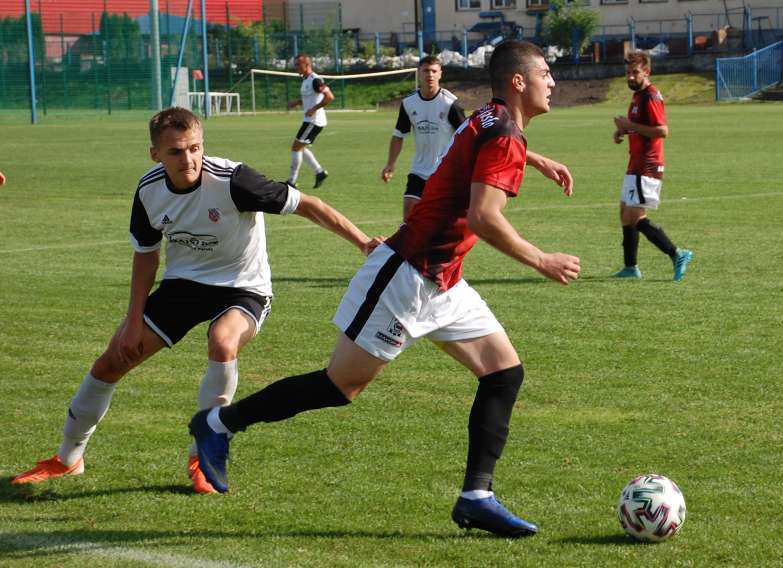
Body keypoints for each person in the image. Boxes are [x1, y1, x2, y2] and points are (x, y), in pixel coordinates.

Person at [189, 40, 581, 537]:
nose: (554, 82)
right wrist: (541, 259)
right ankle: (219, 424)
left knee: (503, 374)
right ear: (519, 82)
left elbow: (479, 140)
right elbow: (485, 217)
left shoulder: (491, 119)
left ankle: (476, 497)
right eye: (546, 72)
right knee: (340, 386)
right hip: (406, 276)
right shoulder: (502, 130)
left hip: (444, 282)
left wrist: (535, 159)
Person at [12, 107, 380, 494]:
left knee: (223, 342)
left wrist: (362, 242)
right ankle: (67, 459)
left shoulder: (235, 181)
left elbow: (309, 205)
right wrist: (133, 320)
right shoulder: (149, 190)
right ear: (155, 153)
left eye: (194, 148)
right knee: (109, 364)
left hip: (243, 286)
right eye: (175, 151)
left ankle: (203, 454)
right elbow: (146, 254)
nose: (187, 158)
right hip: (183, 287)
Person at [612, 51, 692, 282]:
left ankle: (677, 253)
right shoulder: (638, 97)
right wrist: (623, 130)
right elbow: (640, 127)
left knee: (635, 216)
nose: (630, 77)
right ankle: (630, 268)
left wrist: (628, 124)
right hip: (635, 164)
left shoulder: (650, 96)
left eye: (634, 72)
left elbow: (661, 130)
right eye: (627, 73)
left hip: (647, 166)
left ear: (646, 72)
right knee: (625, 214)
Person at [381, 55, 466, 221]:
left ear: (440, 73)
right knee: (409, 212)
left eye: (434, 71)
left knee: (442, 219)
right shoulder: (409, 103)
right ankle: (409, 246)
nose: (430, 75)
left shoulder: (450, 104)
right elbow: (399, 135)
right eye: (426, 71)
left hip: (444, 171)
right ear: (419, 73)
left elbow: (467, 134)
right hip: (419, 170)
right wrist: (390, 164)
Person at [287, 54, 334, 189]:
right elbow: (310, 97)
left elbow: (330, 97)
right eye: (295, 65)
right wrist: (297, 102)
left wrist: (314, 108)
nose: (296, 67)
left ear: (307, 65)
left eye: (298, 65)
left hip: (314, 121)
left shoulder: (315, 80)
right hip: (309, 120)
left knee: (296, 147)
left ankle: (292, 182)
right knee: (300, 147)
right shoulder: (306, 80)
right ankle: (319, 172)